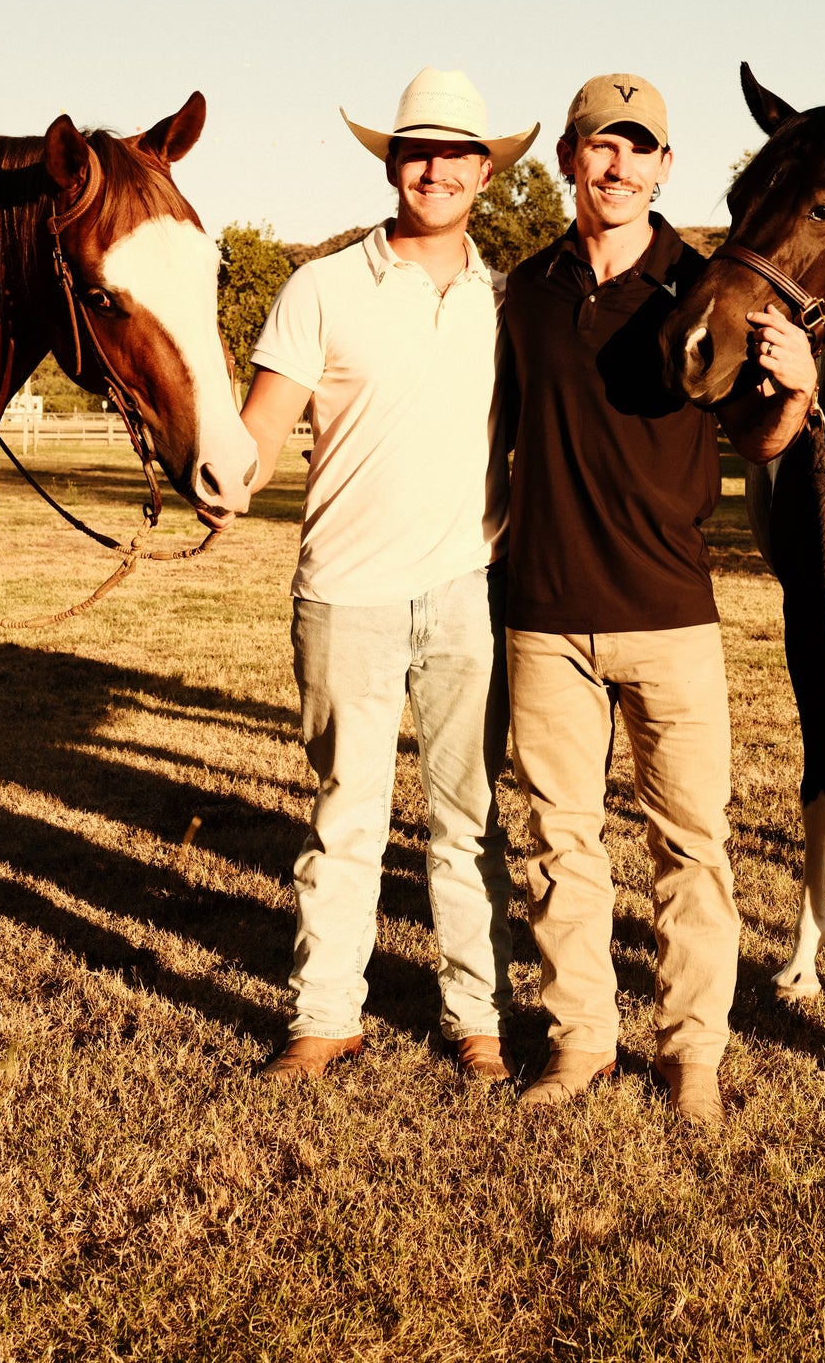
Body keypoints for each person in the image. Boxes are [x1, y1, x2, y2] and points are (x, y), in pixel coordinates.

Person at [498, 73, 816, 1125]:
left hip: (670, 612)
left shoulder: (707, 287)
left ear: (665, 168)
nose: (618, 164)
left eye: (639, 149)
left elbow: (761, 441)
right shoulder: (528, 291)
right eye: (599, 146)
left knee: (689, 846)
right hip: (543, 612)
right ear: (569, 162)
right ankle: (581, 1039)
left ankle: (692, 1056)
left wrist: (795, 387)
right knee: (559, 842)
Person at [238, 68, 539, 1085]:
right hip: (344, 592)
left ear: (484, 173)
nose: (436, 169)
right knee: (345, 816)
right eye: (418, 150)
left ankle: (477, 1020)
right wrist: (216, 474)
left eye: (459, 153)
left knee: (467, 823)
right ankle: (324, 1017)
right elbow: (263, 433)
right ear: (390, 162)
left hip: (469, 589)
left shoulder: (508, 302)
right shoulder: (319, 287)